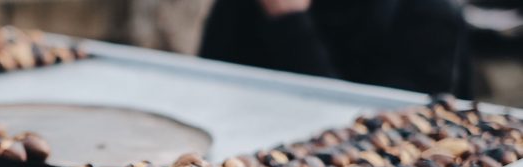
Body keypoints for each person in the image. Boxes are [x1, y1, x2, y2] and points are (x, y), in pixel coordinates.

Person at [200, 0, 472, 97]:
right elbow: (206, 89)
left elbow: (381, 139)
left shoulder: (429, 16)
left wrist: (289, 23)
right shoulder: (243, 7)